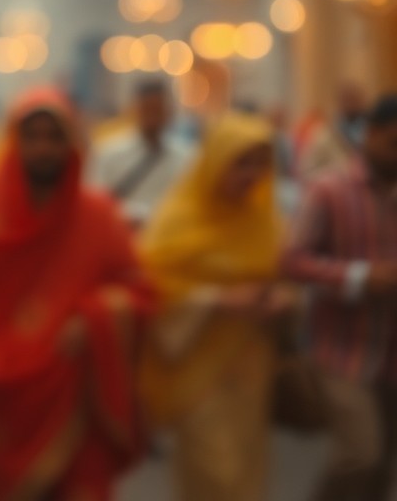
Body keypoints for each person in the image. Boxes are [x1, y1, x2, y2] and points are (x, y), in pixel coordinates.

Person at [0, 87, 150, 501]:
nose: (43, 149)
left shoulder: (99, 216)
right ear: (13, 142)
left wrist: (92, 318)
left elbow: (138, 290)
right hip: (1, 400)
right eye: (31, 136)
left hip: (76, 394)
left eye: (54, 137)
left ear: (71, 144)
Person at [140, 113, 289, 501]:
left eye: (260, 163)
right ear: (216, 161)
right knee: (213, 471)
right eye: (242, 162)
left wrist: (281, 300)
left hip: (251, 366)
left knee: (247, 471)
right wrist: (216, 300)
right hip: (196, 368)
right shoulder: (178, 219)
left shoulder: (265, 219)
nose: (252, 174)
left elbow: (285, 274)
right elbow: (149, 286)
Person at [287, 93, 397, 501]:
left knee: (384, 464)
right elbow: (292, 260)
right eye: (393, 142)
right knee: (360, 453)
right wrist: (358, 277)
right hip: (341, 349)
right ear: (369, 135)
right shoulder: (329, 190)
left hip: (391, 351)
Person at [87, 79, 194, 229]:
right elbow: (94, 199)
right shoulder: (109, 153)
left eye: (157, 110)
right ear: (135, 110)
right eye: (147, 109)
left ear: (169, 111)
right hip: (120, 234)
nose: (153, 117)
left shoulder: (187, 157)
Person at [299, 82, 369, 182]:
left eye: (355, 98)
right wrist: (337, 175)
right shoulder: (324, 135)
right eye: (347, 99)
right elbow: (306, 171)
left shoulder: (372, 132)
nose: (352, 103)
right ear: (339, 102)